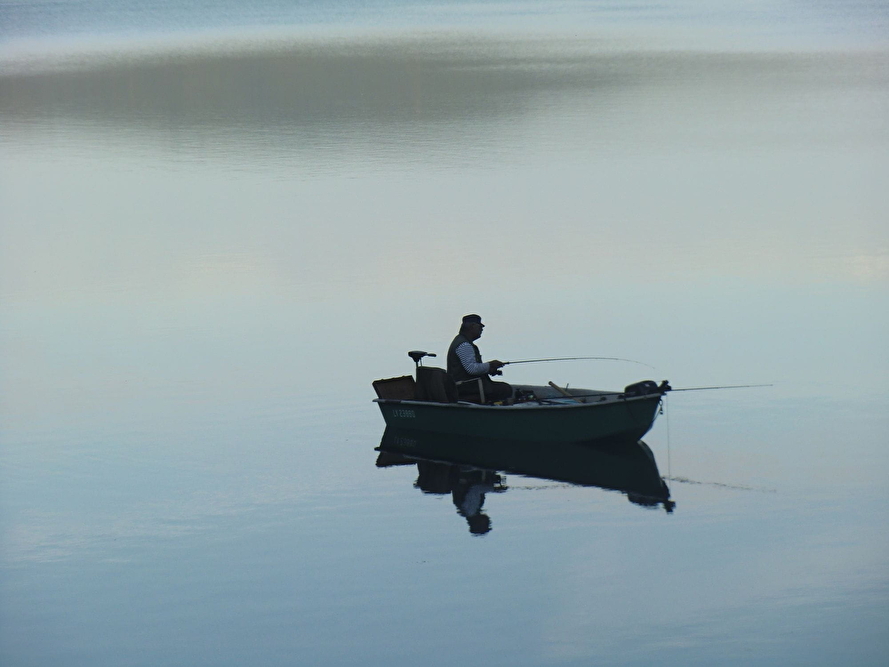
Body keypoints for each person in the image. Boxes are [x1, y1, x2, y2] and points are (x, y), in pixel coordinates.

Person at [446, 314, 513, 403]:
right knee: (506, 389)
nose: (482, 329)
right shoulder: (464, 345)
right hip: (465, 387)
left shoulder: (461, 341)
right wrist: (490, 365)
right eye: (480, 326)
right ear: (472, 326)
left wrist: (489, 369)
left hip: (467, 385)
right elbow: (472, 369)